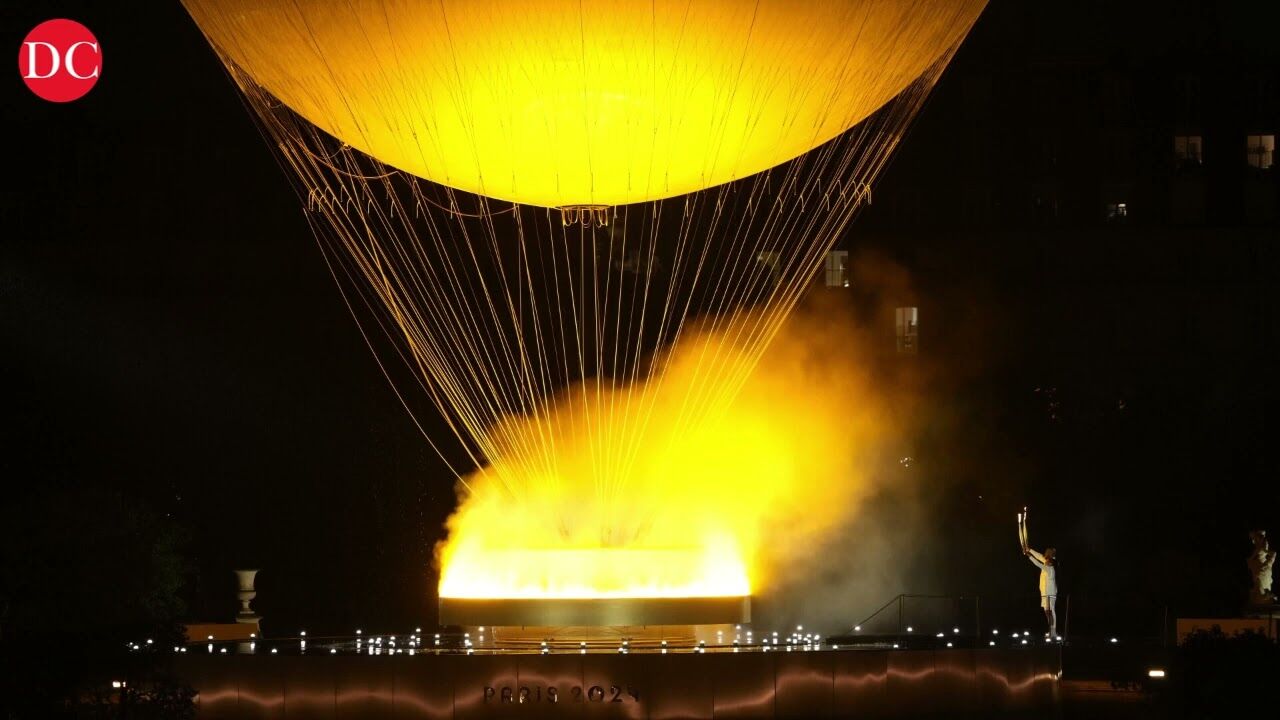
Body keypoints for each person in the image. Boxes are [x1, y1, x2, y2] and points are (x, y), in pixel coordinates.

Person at [1017, 508, 1059, 640]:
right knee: (1047, 612)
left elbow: (1038, 563)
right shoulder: (1047, 561)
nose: (1045, 557)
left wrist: (1028, 556)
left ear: (1050, 557)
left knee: (1050, 611)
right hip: (1045, 591)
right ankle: (1051, 631)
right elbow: (1039, 557)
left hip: (1050, 592)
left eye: (1046, 556)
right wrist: (1029, 550)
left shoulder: (1050, 566)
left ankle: (1053, 632)